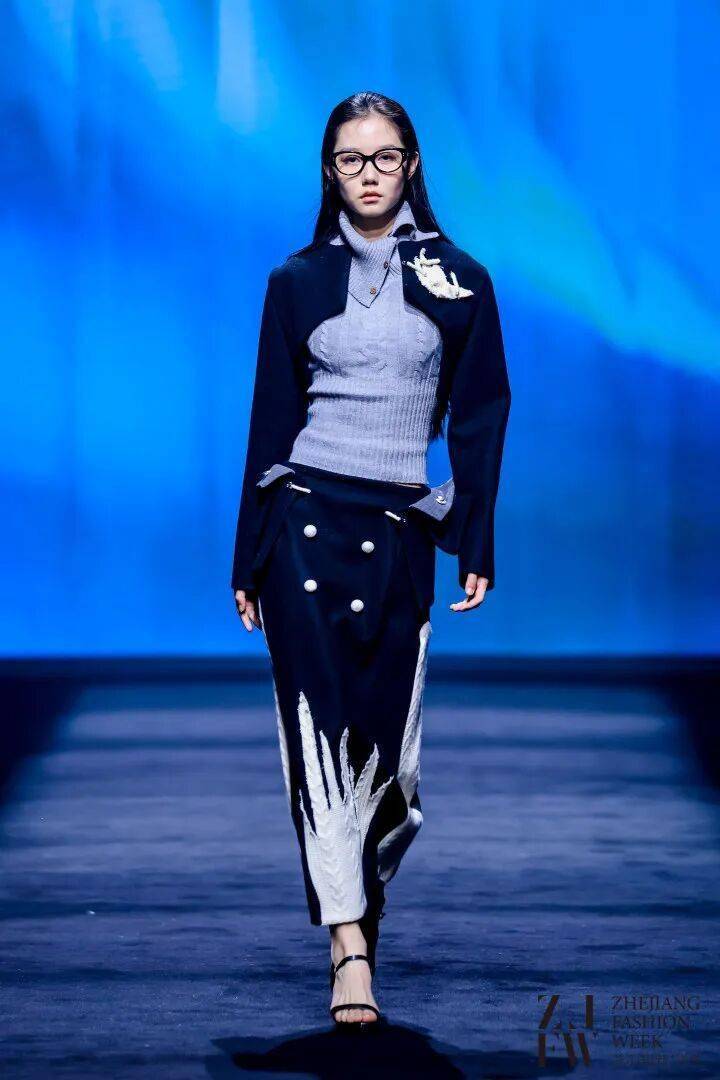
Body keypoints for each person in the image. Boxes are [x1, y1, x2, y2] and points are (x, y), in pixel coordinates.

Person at [230, 91, 511, 1029]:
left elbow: (482, 412)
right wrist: (246, 555)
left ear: (412, 164)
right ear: (329, 171)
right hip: (304, 521)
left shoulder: (459, 280)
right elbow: (271, 419)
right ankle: (348, 946)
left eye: (384, 158)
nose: (369, 175)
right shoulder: (296, 279)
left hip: (398, 533)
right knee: (318, 743)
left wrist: (476, 535)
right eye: (351, 160)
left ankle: (362, 895)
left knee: (391, 765)